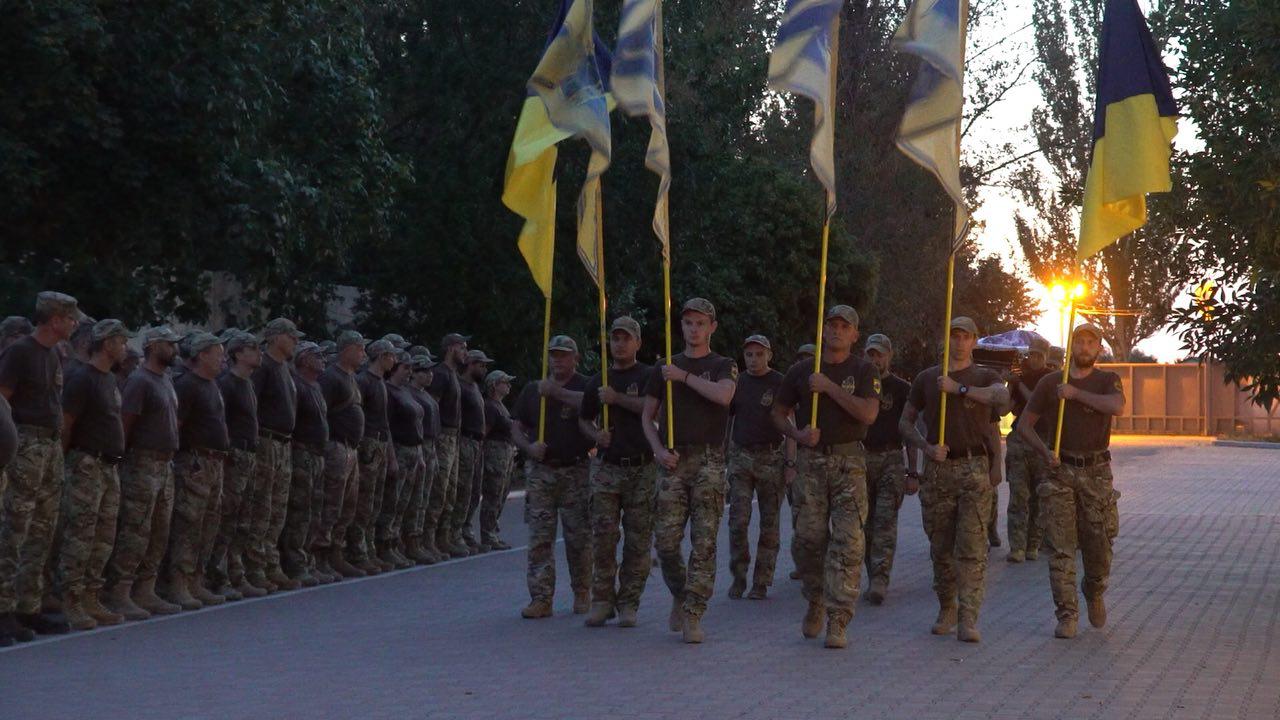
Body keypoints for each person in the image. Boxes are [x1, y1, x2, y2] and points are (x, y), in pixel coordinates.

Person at [771, 306, 880, 649]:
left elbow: (868, 413)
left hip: (849, 463)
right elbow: (777, 412)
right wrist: (798, 435)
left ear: (854, 335)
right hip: (811, 465)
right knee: (808, 541)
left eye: (843, 326)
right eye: (830, 325)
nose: (835, 331)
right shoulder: (802, 371)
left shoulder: (864, 370)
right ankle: (815, 597)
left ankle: (838, 618)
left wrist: (830, 387)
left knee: (848, 543)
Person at [899, 316, 1009, 643]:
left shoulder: (985, 376)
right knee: (940, 545)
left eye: (965, 336)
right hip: (939, 470)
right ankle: (947, 604)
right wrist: (925, 447)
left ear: (974, 340)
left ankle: (968, 616)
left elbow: (1002, 401)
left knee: (973, 547)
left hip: (974, 467)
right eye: (954, 335)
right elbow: (905, 423)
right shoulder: (927, 378)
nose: (959, 342)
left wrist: (960, 389)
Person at [1016, 323, 1125, 639]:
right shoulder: (1051, 382)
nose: (1085, 347)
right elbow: (1025, 425)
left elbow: (1117, 406)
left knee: (1099, 544)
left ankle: (1093, 589)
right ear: (1071, 346)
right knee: (1061, 547)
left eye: (1091, 342)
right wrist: (1044, 450)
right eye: (1079, 341)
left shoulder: (1107, 381)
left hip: (1096, 472)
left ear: (1098, 348)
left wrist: (1075, 394)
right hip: (1060, 470)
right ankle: (1066, 614)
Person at [642, 298, 737, 644]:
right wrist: (657, 450)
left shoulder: (723, 364)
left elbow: (724, 396)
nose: (693, 329)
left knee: (704, 541)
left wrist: (684, 377)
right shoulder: (665, 367)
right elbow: (647, 416)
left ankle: (694, 612)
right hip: (674, 460)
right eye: (688, 323)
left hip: (710, 461)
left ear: (711, 327)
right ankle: (680, 592)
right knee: (666, 541)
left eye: (700, 323)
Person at [0, 291, 82, 643]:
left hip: (49, 445)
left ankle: (27, 606)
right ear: (54, 320)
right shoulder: (20, 352)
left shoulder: (53, 355)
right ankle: (3, 609)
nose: (75, 324)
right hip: (26, 443)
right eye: (70, 318)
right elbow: (2, 399)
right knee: (14, 528)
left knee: (43, 530)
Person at [55, 319, 132, 630]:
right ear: (107, 343)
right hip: (86, 464)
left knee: (103, 537)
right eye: (121, 341)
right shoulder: (83, 378)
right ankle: (71, 600)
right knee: (80, 535)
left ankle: (90, 595)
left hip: (109, 466)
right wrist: (63, 463)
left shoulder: (109, 379)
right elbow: (66, 423)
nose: (125, 348)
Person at [102, 325, 183, 622]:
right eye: (169, 344)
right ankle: (120, 591)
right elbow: (126, 423)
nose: (174, 349)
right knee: (136, 529)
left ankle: (146, 588)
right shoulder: (139, 381)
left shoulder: (166, 379)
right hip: (142, 463)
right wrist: (124, 458)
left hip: (165, 464)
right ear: (153, 346)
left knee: (159, 529)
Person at [579, 317, 654, 627]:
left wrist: (617, 399)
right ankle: (602, 600)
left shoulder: (648, 375)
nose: (620, 344)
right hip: (608, 469)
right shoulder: (599, 379)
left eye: (626, 338)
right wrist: (596, 435)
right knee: (603, 538)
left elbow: (653, 408)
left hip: (641, 467)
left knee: (638, 540)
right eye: (615, 339)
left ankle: (629, 602)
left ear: (638, 342)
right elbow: (584, 418)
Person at [512, 335, 593, 619]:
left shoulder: (584, 384)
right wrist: (528, 447)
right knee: (540, 539)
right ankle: (541, 597)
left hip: (575, 471)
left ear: (575, 358)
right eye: (553, 355)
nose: (558, 360)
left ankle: (583, 592)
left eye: (563, 355)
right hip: (542, 472)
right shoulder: (533, 390)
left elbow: (592, 404)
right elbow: (516, 426)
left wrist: (555, 393)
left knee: (578, 537)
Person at [165, 331, 230, 611]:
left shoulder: (212, 384)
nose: (222, 359)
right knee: (188, 524)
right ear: (202, 355)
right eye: (218, 354)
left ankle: (196, 580)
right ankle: (177, 582)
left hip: (214, 463)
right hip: (194, 462)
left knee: (208, 524)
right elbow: (176, 425)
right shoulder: (188, 384)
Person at [726, 334, 789, 601]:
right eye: (749, 355)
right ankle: (739, 576)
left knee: (769, 523)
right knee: (737, 521)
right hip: (741, 456)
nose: (754, 360)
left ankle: (761, 581)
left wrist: (791, 462)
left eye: (759, 354)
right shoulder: (737, 382)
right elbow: (727, 421)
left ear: (769, 356)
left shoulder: (778, 382)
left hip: (771, 457)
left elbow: (790, 421)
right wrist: (722, 455)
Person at [244, 318, 303, 593]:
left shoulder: (285, 369)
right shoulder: (264, 367)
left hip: (284, 444)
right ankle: (255, 566)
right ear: (277, 337)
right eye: (292, 337)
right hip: (267, 442)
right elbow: (251, 407)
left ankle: (271, 563)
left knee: (277, 507)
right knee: (262, 506)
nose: (296, 342)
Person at [208, 331, 263, 600]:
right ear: (238, 353)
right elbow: (220, 421)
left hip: (249, 456)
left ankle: (235, 572)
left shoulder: (248, 383)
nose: (257, 353)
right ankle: (217, 577)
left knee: (243, 519)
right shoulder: (226, 383)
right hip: (234, 456)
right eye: (252, 348)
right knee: (227, 518)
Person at [861, 333, 913, 605]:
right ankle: (871, 573)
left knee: (884, 521)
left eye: (879, 354)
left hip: (891, 459)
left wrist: (913, 472)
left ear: (889, 356)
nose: (875, 359)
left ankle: (880, 579)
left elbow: (910, 430)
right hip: (860, 459)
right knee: (863, 524)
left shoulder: (902, 389)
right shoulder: (856, 384)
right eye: (870, 354)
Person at [315, 331, 366, 580]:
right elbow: (321, 414)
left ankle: (337, 551)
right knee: (331, 504)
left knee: (348, 505)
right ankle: (321, 556)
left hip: (351, 449)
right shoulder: (331, 377)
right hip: (335, 447)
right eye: (359, 348)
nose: (363, 354)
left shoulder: (352, 377)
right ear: (346, 349)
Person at [1004, 336, 1055, 563]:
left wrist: (1018, 384)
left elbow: (1036, 402)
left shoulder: (1050, 379)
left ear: (1045, 357)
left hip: (1041, 439)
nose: (1034, 359)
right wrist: (1006, 385)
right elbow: (1006, 409)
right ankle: (1017, 546)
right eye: (1031, 354)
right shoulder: (1019, 377)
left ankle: (1033, 544)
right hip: (1018, 441)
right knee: (1018, 495)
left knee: (1039, 496)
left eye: (1039, 355)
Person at [284, 341, 329, 585]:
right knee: (299, 511)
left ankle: (309, 559)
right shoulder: (297, 385)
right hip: (302, 454)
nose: (322, 358)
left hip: (318, 455)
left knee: (314, 510)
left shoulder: (316, 386)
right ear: (304, 360)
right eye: (317, 354)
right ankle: (295, 563)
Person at [352, 339, 396, 574]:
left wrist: (390, 455)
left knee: (375, 501)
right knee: (365, 501)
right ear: (381, 356)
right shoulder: (364, 381)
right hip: (368, 444)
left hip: (380, 442)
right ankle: (358, 551)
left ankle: (369, 548)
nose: (394, 361)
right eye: (391, 356)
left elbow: (385, 421)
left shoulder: (380, 383)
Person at [377, 350, 423, 570]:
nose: (409, 372)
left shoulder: (405, 391)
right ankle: (385, 544)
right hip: (398, 449)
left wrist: (420, 454)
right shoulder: (389, 391)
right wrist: (391, 457)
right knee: (392, 501)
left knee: (404, 502)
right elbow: (386, 426)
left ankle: (396, 543)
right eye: (406, 368)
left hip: (413, 451)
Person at [427, 333, 467, 558]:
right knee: (439, 490)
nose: (465, 353)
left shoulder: (454, 374)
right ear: (451, 348)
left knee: (450, 491)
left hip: (454, 438)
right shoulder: (441, 374)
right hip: (442, 437)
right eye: (462, 348)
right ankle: (429, 538)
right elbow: (432, 407)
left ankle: (444, 537)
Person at [452, 348, 492, 554]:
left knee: (475, 491)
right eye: (481, 365)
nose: (484, 369)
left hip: (477, 443)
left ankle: (466, 531)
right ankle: (455, 533)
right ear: (470, 364)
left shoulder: (475, 387)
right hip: (465, 441)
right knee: (463, 490)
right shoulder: (460, 386)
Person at [405, 354, 443, 563]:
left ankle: (421, 539)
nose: (430, 375)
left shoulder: (426, 395)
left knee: (427, 495)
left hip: (431, 446)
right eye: (425, 371)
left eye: (430, 371)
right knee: (416, 495)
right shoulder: (411, 393)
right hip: (420, 446)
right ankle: (410, 540)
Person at [479, 369, 517, 554]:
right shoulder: (490, 407)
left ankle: (493, 530)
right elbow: (484, 433)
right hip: (495, 453)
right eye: (505, 382)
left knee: (501, 494)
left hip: (506, 452)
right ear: (495, 385)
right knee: (493, 494)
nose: (508, 385)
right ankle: (488, 534)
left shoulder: (501, 406)